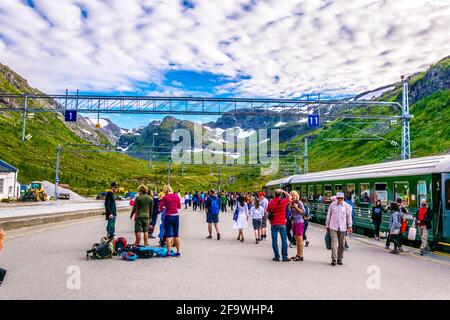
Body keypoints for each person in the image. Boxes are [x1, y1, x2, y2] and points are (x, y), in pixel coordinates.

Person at [326, 192, 352, 266]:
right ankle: (334, 259)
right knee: (334, 243)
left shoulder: (346, 206)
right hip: (333, 227)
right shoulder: (332, 205)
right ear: (336, 198)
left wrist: (350, 226)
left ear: (343, 198)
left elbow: (349, 217)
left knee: (342, 244)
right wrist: (327, 225)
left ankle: (339, 259)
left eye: (341, 198)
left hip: (343, 227)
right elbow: (328, 215)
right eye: (338, 198)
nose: (340, 199)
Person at [267, 189, 292, 262]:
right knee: (284, 240)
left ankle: (277, 256)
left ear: (274, 194)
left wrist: (270, 222)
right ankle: (284, 257)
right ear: (280, 195)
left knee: (274, 241)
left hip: (273, 224)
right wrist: (283, 191)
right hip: (282, 223)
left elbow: (267, 213)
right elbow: (290, 196)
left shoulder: (270, 202)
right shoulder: (283, 201)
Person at [158, 185, 181, 257]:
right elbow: (179, 206)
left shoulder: (165, 197)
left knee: (168, 235)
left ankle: (168, 252)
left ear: (165, 191)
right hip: (176, 216)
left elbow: (160, 208)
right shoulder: (176, 196)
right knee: (176, 235)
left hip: (168, 216)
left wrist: (163, 202)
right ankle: (178, 252)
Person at [288, 191, 306, 261]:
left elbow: (303, 212)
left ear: (297, 196)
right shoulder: (292, 202)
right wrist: (290, 204)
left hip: (299, 222)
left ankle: (301, 256)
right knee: (296, 239)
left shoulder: (299, 202)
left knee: (299, 239)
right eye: (291, 195)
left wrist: (296, 207)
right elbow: (289, 211)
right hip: (294, 222)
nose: (292, 197)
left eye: (294, 195)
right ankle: (298, 254)